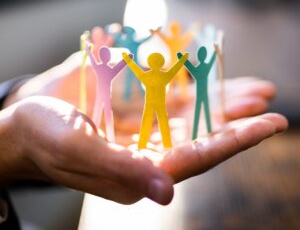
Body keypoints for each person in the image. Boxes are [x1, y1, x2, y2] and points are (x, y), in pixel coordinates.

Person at [0, 51, 288, 228]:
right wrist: (11, 139)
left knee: (156, 121)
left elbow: (154, 70)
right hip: (139, 104)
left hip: (154, 104)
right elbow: (136, 70)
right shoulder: (133, 73)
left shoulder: (157, 76)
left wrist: (13, 102)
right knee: (138, 119)